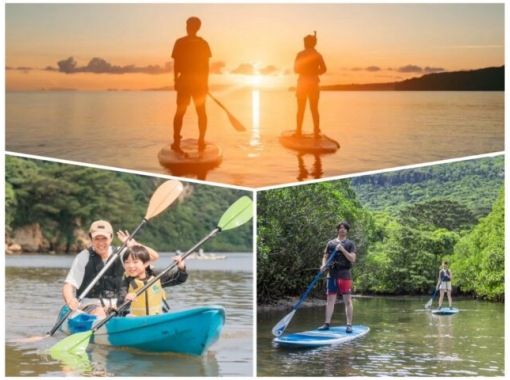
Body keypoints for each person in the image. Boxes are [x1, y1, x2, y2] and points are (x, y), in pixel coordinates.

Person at [62, 220, 159, 317]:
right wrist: (70, 300)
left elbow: (154, 257)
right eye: (97, 239)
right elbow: (68, 285)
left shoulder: (122, 253)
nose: (101, 243)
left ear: (111, 238)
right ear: (91, 239)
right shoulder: (83, 257)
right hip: (90, 304)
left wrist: (134, 245)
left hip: (119, 304)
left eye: (104, 238)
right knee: (100, 312)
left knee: (133, 313)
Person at [171, 16, 212, 153]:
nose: (188, 27)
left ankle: (199, 140)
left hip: (191, 82)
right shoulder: (199, 43)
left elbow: (205, 66)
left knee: (196, 112)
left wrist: (177, 80)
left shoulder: (197, 43)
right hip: (193, 82)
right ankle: (179, 141)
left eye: (190, 25)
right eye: (188, 25)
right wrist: (176, 80)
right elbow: (177, 64)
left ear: (195, 27)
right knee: (184, 112)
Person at [117, 245, 188, 316]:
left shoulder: (156, 275)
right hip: (135, 320)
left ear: (146, 264)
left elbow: (179, 279)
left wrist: (181, 268)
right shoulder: (126, 281)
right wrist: (126, 299)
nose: (131, 266)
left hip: (157, 318)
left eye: (135, 262)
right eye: (127, 262)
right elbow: (120, 305)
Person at [319, 221, 356, 333]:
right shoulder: (330, 243)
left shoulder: (350, 244)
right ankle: (327, 324)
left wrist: (342, 249)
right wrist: (323, 265)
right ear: (338, 230)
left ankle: (349, 325)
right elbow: (325, 256)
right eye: (340, 228)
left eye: (344, 228)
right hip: (332, 274)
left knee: (347, 300)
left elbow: (352, 259)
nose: (342, 229)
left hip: (344, 274)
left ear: (347, 231)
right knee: (330, 299)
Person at [294, 31, 327, 138]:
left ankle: (298, 131)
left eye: (304, 42)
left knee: (301, 108)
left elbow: (295, 69)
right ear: (314, 43)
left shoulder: (300, 54)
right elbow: (324, 69)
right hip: (313, 83)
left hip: (302, 83)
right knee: (314, 108)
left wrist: (306, 71)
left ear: (306, 43)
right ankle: (316, 132)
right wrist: (314, 72)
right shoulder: (318, 55)